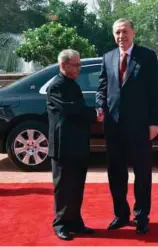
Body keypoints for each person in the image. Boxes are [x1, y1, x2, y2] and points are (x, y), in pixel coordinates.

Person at [96, 18, 158, 234]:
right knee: (116, 173)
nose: (121, 36)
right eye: (117, 32)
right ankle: (120, 215)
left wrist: (154, 122)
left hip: (140, 126)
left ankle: (141, 215)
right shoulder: (108, 57)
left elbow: (154, 91)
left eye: (124, 31)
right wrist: (100, 107)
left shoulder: (147, 56)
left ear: (133, 32)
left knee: (142, 173)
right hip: (113, 127)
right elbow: (102, 88)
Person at [46, 49, 97, 241]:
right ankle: (60, 223)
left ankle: (75, 221)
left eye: (79, 64)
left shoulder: (72, 84)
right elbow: (71, 110)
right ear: (63, 65)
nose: (79, 68)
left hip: (78, 145)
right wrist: (94, 114)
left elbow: (78, 110)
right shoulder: (56, 86)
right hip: (63, 146)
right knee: (64, 187)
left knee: (77, 186)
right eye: (76, 65)